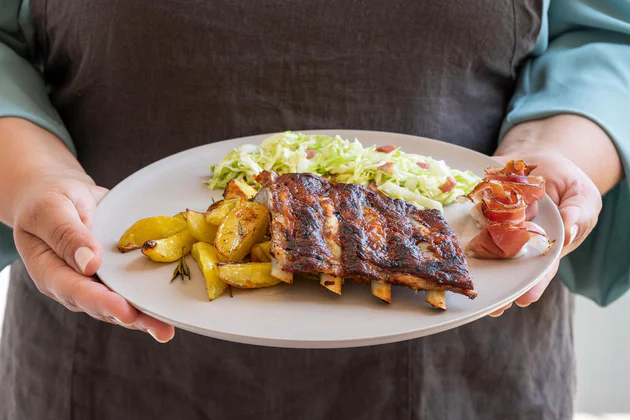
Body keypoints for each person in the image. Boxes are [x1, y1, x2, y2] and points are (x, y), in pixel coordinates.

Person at [0, 0, 628, 419]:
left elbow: (602, 31)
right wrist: (36, 176)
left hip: (471, 362)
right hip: (109, 332)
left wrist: (550, 150)